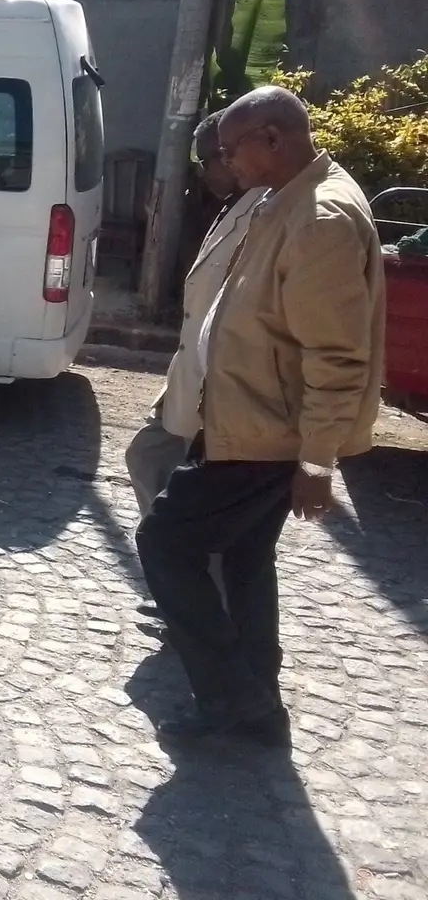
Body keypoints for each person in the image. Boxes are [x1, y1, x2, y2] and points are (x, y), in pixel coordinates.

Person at [136, 87, 385, 747]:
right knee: (245, 561)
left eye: (231, 150)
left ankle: (231, 699)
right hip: (242, 419)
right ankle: (260, 711)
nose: (226, 164)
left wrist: (316, 461)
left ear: (272, 138)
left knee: (164, 544)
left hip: (267, 434)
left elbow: (337, 356)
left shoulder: (321, 219)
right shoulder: (285, 196)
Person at [124, 111, 266, 516]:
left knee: (176, 482)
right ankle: (168, 551)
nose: (202, 173)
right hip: (194, 379)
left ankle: (174, 556)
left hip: (224, 393)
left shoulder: (264, 212)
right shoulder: (231, 205)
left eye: (205, 161)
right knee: (147, 457)